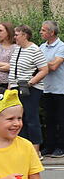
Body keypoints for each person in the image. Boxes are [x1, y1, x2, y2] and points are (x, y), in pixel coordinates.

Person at [8, 25, 47, 155]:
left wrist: (30, 82)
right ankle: (23, 149)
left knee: (31, 118)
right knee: (19, 119)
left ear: (25, 35)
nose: (14, 37)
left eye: (16, 34)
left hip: (30, 89)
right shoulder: (17, 49)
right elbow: (13, 70)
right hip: (15, 88)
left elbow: (44, 70)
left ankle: (36, 150)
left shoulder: (34, 50)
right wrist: (10, 87)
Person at [38, 21, 64, 158]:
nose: (40, 32)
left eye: (43, 30)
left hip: (60, 89)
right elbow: (37, 64)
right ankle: (49, 146)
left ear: (51, 33)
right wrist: (48, 63)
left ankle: (61, 147)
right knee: (49, 119)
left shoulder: (61, 47)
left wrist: (43, 64)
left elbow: (54, 67)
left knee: (61, 119)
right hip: (46, 88)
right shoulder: (42, 46)